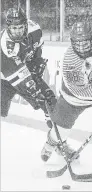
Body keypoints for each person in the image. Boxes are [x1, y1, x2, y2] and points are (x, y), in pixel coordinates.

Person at [1, 7, 77, 160]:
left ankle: (59, 144)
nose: (16, 31)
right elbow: (20, 78)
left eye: (20, 27)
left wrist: (36, 64)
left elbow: (37, 52)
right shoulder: (7, 44)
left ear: (26, 25)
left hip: (26, 72)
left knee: (52, 105)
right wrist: (35, 92)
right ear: (7, 27)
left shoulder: (35, 29)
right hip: (5, 78)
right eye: (13, 28)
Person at [41, 19, 92, 162]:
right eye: (77, 44)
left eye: (85, 43)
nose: (81, 48)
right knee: (61, 130)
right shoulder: (71, 61)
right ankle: (52, 144)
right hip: (74, 98)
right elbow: (86, 93)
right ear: (72, 42)